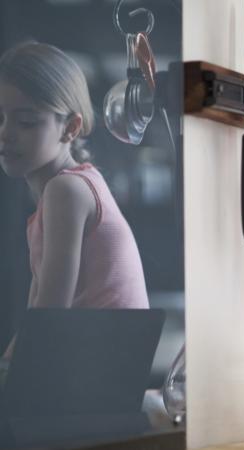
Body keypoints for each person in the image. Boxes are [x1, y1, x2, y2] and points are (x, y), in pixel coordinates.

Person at [0, 42, 148, 359]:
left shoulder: (66, 191)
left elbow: (49, 314)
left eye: (25, 121)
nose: (5, 133)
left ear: (71, 127)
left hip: (96, 376)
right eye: (0, 118)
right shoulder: (65, 189)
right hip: (97, 369)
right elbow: (37, 309)